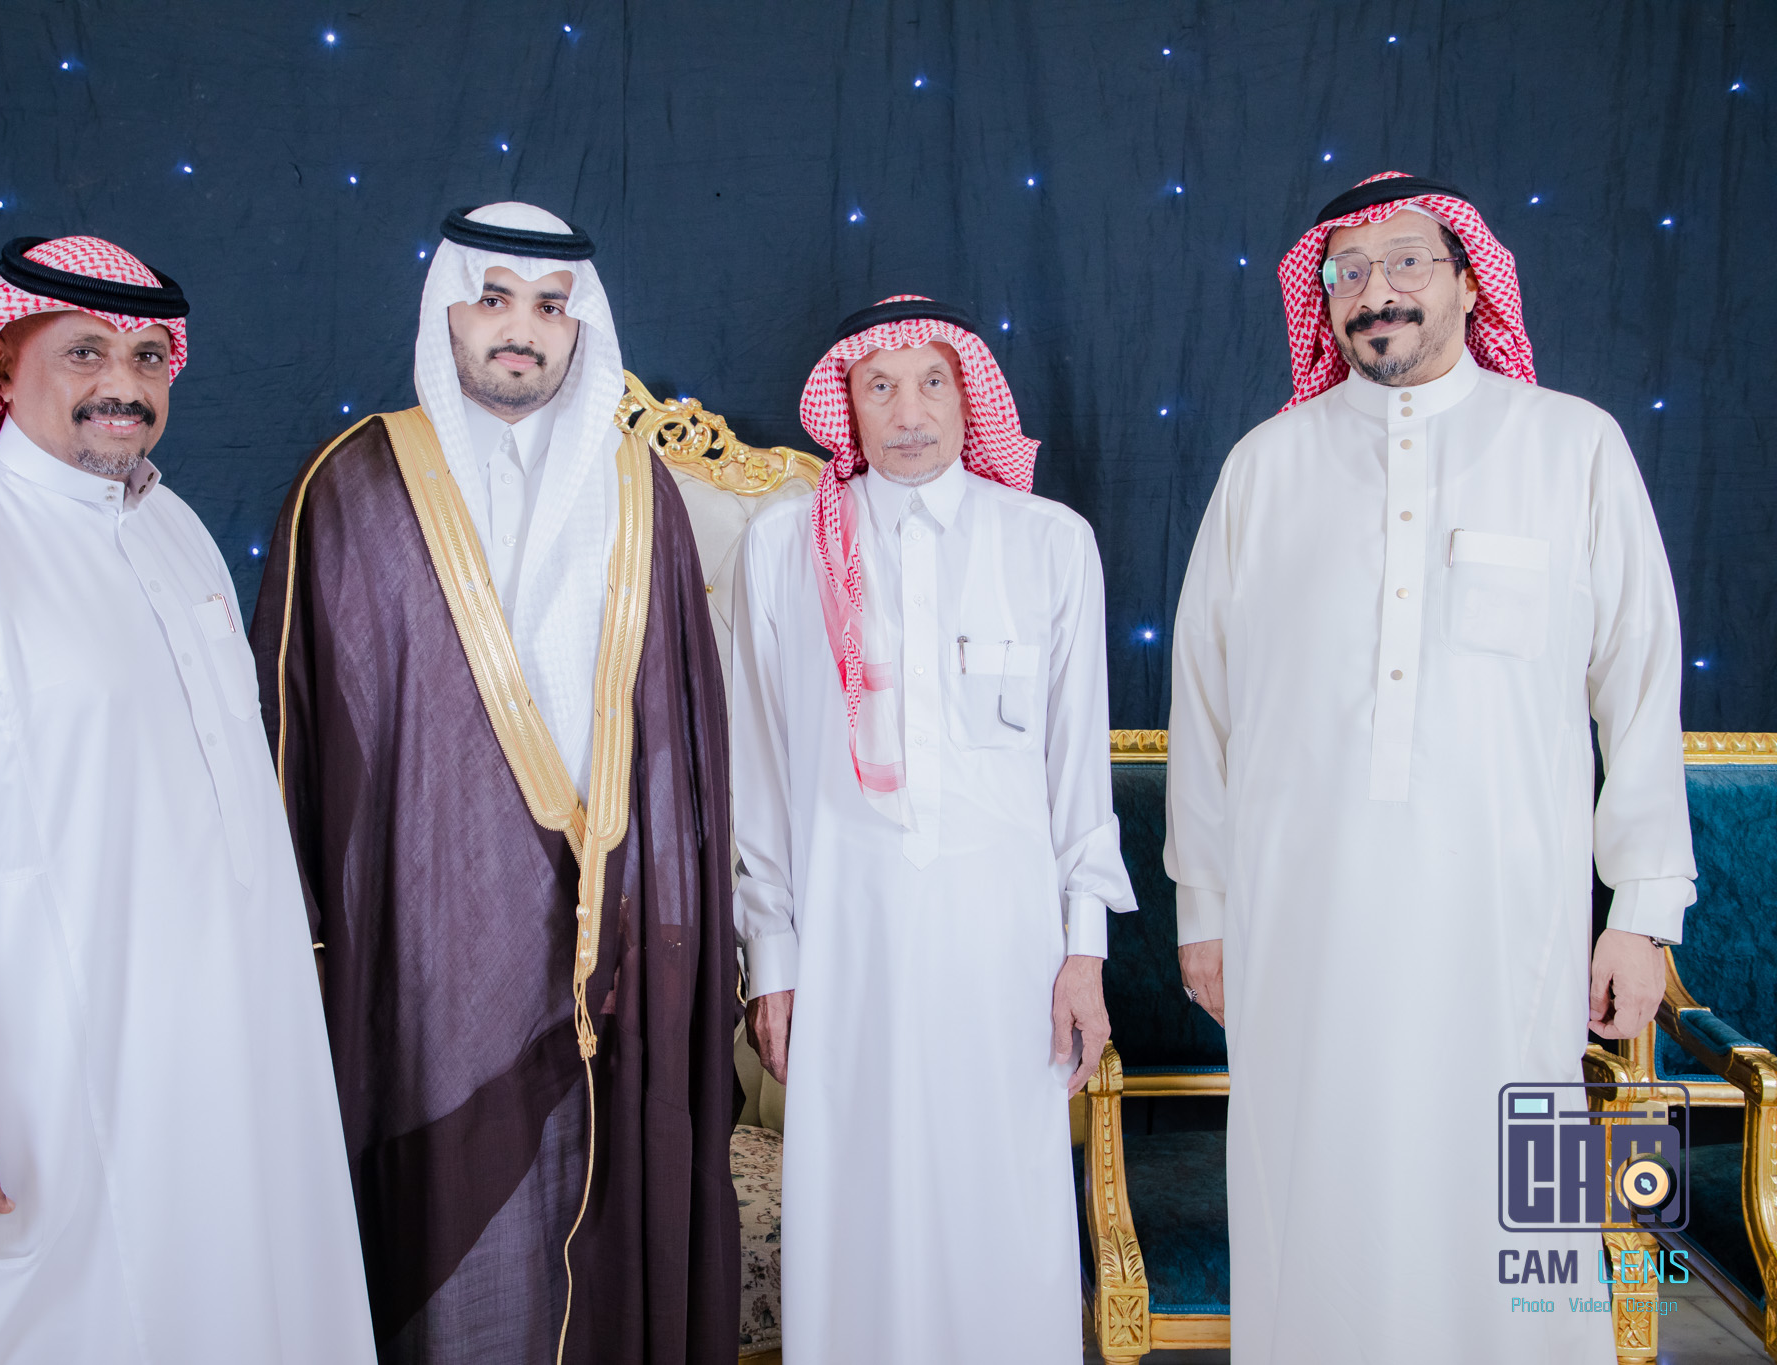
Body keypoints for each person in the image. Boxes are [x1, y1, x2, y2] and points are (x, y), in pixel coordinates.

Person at [0, 236, 374, 1364]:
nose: (125, 383)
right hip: (27, 1078)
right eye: (85, 352)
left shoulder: (174, 528)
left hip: (216, 1072)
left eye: (148, 356)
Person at [1165, 172, 1696, 1362]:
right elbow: (1202, 704)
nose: (1377, 292)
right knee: (1315, 1188)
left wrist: (1641, 911)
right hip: (1301, 922)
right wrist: (1204, 908)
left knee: (1511, 1193)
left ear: (1467, 283)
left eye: (1406, 262)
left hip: (1508, 918)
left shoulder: (1570, 446)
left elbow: (1638, 683)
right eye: (1348, 271)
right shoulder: (1265, 465)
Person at [251, 202, 739, 1365]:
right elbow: (296, 740)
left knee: (605, 1222)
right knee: (442, 1238)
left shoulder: (638, 488)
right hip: (418, 946)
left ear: (580, 327)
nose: (521, 328)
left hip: (616, 937)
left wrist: (672, 937)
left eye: (550, 306)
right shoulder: (352, 485)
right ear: (448, 311)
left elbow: (682, 739)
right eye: (494, 298)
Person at [732, 295, 1138, 1364]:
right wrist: (772, 959)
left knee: (998, 1208)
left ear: (970, 398)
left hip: (1006, 952)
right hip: (845, 943)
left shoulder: (1050, 544)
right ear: (847, 404)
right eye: (880, 386)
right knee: (857, 1209)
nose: (908, 412)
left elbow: (1075, 770)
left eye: (931, 383)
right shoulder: (783, 547)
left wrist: (1083, 954)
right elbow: (758, 768)